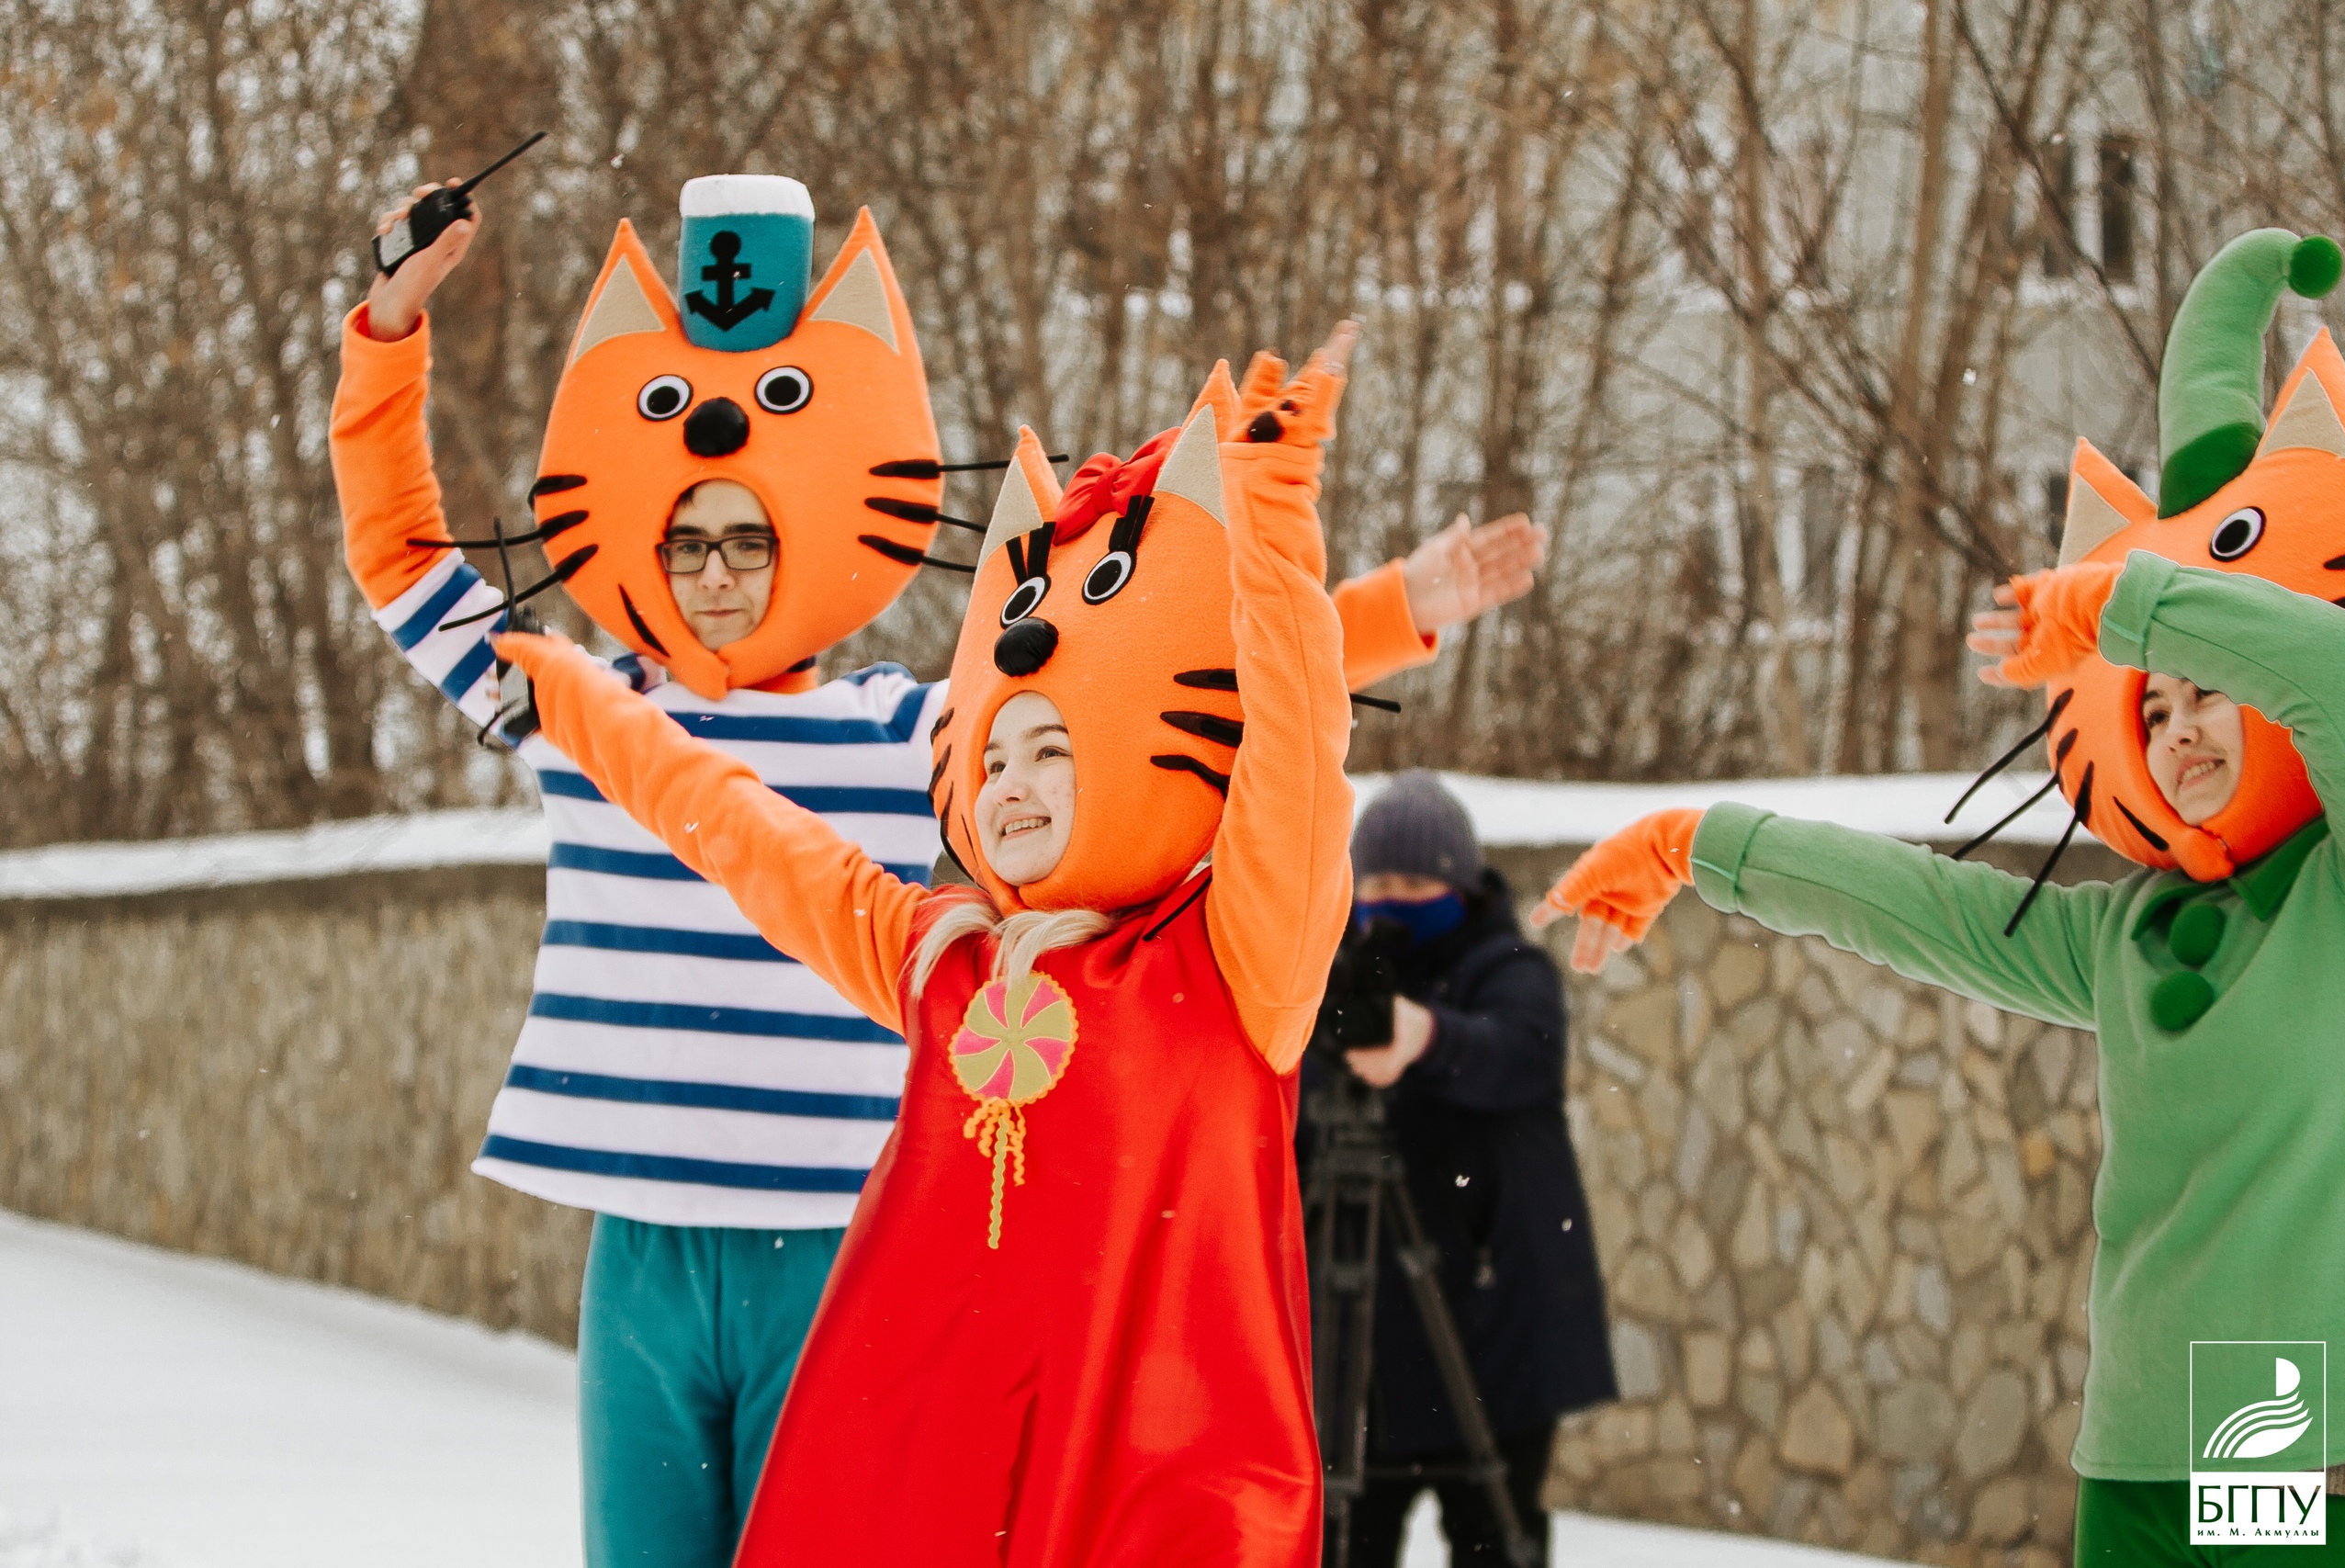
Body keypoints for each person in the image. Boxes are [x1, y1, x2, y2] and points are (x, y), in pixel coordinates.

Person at [333, 175, 1542, 1568]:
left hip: (833, 1234)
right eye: (686, 540)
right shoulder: (581, 708)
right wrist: (387, 332)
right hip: (646, 1239)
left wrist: (1382, 604)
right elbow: (406, 566)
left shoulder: (908, 733)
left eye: (750, 536)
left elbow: (1138, 689)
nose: (717, 572)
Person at [1537, 229, 2345, 1565]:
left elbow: (2335, 671)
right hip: (2134, 1439)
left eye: (2210, 693)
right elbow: (1912, 903)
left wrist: (2130, 607)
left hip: (2278, 1427)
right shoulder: (2128, 936)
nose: (2178, 729)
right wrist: (1698, 841)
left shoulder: (2337, 893)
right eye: (2152, 710)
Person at [496, 332, 1362, 1566]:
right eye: (994, 753)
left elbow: (1298, 773)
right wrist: (585, 705)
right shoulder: (943, 961)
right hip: (943, 1498)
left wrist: (1273, 547)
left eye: (1053, 749)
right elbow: (741, 830)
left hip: (1151, 1501)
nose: (1011, 783)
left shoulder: (1229, 962)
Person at [1303, 770, 1616, 1566]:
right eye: (1376, 884)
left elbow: (1518, 1055)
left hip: (1490, 1331)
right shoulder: (1329, 978)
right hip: (1367, 1341)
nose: (1392, 902)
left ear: (1460, 885)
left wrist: (1428, 1037)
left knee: (1494, 1539)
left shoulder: (1509, 970)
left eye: (1415, 884)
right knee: (1346, 1540)